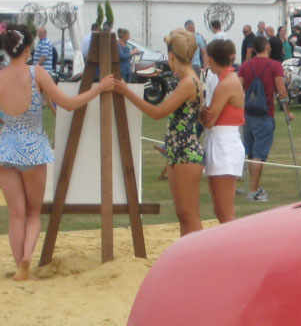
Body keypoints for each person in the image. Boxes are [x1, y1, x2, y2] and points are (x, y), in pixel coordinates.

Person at [0, 27, 114, 280]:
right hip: (33, 147)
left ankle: (20, 264)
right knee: (33, 213)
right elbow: (68, 104)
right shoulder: (36, 73)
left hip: (6, 147)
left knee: (16, 214)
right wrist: (98, 88)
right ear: (28, 48)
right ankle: (27, 258)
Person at [113, 28, 205, 236]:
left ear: (172, 56)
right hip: (179, 151)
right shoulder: (189, 80)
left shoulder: (188, 82)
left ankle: (198, 261)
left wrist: (127, 91)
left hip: (186, 152)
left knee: (189, 215)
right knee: (184, 214)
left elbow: (157, 112)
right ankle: (187, 259)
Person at [197, 38, 245, 224]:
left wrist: (202, 112)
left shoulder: (227, 83)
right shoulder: (224, 80)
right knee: (220, 210)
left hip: (224, 144)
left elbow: (209, 120)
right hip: (219, 142)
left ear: (210, 58)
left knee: (225, 213)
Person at [238, 35, 289, 201]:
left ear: (253, 49)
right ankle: (253, 191)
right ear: (267, 47)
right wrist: (287, 112)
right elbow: (281, 91)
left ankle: (253, 188)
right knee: (260, 154)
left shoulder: (245, 66)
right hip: (265, 113)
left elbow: (239, 90)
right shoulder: (275, 66)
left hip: (248, 113)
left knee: (251, 152)